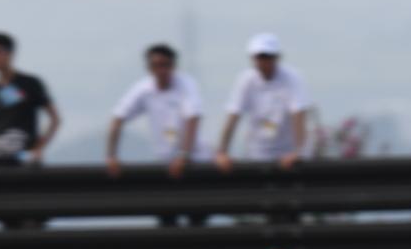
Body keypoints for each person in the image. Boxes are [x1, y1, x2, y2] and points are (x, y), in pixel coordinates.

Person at [106, 43, 205, 179]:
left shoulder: (186, 84)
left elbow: (193, 118)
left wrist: (184, 155)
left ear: (174, 66)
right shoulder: (143, 89)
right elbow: (118, 118)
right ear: (149, 68)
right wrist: (111, 156)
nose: (161, 70)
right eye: (156, 66)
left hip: (195, 160)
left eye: (166, 65)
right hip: (165, 162)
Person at [217, 33, 311, 171]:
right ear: (253, 59)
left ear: (277, 57)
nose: (264, 62)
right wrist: (222, 152)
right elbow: (233, 116)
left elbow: (299, 115)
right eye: (260, 57)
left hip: (287, 157)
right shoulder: (245, 80)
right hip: (256, 155)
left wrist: (298, 151)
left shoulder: (292, 78)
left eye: (268, 57)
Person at [0, 32, 60, 168]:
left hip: (24, 159)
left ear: (10, 53)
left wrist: (39, 147)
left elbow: (54, 118)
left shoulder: (30, 83)